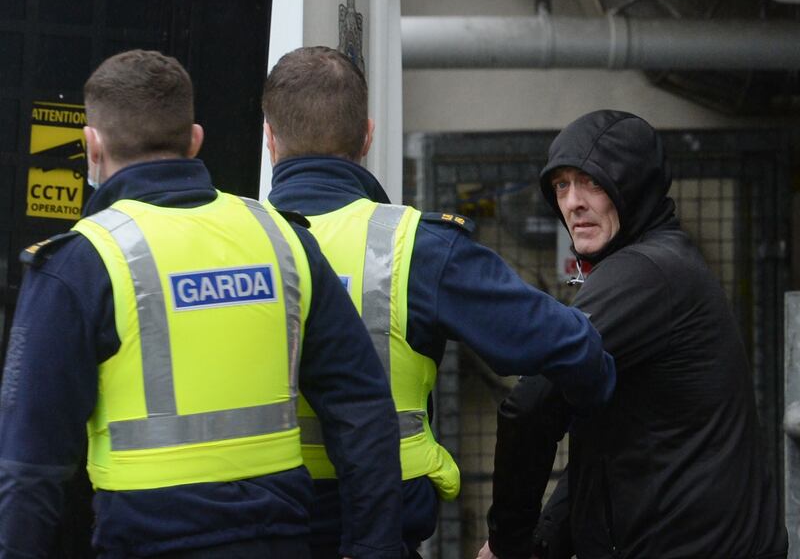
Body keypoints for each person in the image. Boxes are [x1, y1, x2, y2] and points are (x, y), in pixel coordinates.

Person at [0, 49, 403, 559]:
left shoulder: (79, 265)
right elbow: (363, 409)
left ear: (91, 146)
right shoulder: (281, 239)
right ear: (194, 140)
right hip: (280, 540)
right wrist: (373, 548)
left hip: (146, 541)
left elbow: (31, 467)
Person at [262, 46, 617, 559]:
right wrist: (599, 394)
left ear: (270, 138)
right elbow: (567, 344)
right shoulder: (415, 247)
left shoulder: (234, 244)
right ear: (366, 135)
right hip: (384, 529)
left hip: (259, 524)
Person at [478, 109, 788, 559]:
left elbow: (533, 404)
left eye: (593, 183)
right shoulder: (649, 265)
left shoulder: (645, 272)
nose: (573, 202)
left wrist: (509, 543)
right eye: (562, 185)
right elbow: (600, 446)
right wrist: (542, 540)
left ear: (634, 187)